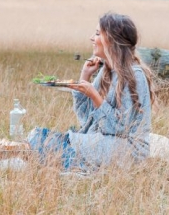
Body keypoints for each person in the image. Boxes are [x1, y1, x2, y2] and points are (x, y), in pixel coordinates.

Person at [28, 12, 156, 170]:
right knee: (37, 135)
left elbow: (121, 128)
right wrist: (85, 76)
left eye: (97, 34)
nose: (91, 38)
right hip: (105, 141)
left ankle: (78, 169)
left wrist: (94, 96)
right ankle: (75, 166)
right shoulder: (106, 71)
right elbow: (85, 118)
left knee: (46, 143)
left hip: (128, 150)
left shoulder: (135, 75)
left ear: (111, 40)